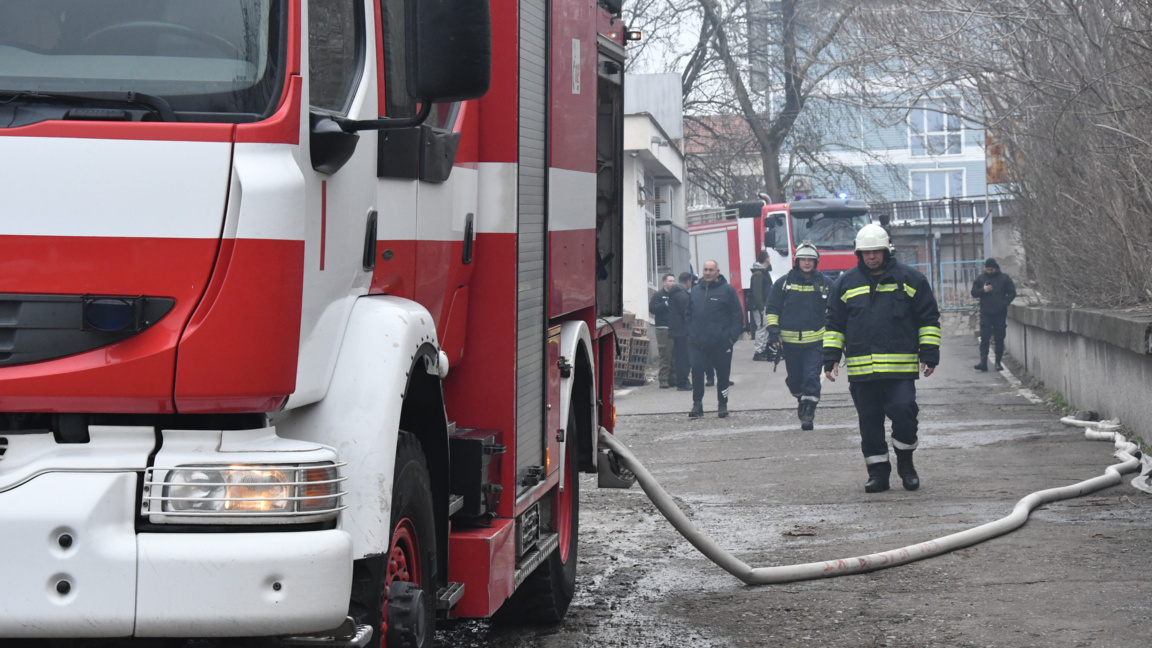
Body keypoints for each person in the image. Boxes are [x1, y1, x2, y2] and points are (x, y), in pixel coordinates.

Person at [824, 224, 941, 493]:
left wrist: (930, 353)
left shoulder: (911, 279)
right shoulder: (845, 283)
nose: (871, 256)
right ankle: (878, 473)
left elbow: (928, 319)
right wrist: (830, 357)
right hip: (862, 371)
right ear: (859, 253)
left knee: (904, 413)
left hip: (900, 371)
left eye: (876, 251)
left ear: (886, 250)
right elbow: (833, 324)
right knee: (870, 422)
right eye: (866, 252)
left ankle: (906, 463)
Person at [766, 241, 831, 430]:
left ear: (816, 262)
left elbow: (836, 311)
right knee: (795, 380)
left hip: (816, 342)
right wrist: (773, 332)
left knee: (812, 377)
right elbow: (772, 309)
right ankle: (801, 399)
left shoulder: (826, 284)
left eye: (810, 259)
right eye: (803, 259)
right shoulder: (783, 284)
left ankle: (808, 412)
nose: (807, 263)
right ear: (797, 261)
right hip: (790, 343)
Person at [685, 260, 744, 418]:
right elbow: (688, 314)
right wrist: (690, 333)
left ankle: (722, 404)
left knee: (723, 375)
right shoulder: (696, 290)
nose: (708, 273)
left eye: (711, 270)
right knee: (697, 371)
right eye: (705, 270)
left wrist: (732, 337)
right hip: (698, 343)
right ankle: (697, 405)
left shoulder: (727, 290)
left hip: (721, 343)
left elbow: (737, 315)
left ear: (718, 272)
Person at [971, 258, 1017, 372]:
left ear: (995, 268)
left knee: (999, 338)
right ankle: (983, 362)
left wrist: (1004, 303)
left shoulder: (1004, 279)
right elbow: (974, 293)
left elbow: (1012, 293)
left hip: (999, 313)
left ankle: (998, 362)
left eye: (991, 269)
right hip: (985, 313)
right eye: (987, 269)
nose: (989, 271)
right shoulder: (981, 278)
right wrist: (983, 290)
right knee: (984, 338)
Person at [649, 274, 688, 388]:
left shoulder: (676, 295)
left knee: (675, 355)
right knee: (665, 355)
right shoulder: (659, 295)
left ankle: (673, 378)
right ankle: (663, 379)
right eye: (670, 281)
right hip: (663, 328)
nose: (672, 283)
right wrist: (665, 304)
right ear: (664, 282)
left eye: (674, 281)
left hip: (674, 329)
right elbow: (652, 308)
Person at [679, 271, 713, 388]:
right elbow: (688, 313)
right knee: (705, 357)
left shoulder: (693, 293)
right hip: (698, 332)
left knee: (703, 357)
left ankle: (709, 378)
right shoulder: (694, 294)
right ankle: (709, 378)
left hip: (699, 331)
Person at [749, 250, 773, 361]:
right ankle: (758, 351)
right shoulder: (759, 274)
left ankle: (762, 350)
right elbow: (757, 292)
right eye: (768, 257)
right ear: (766, 258)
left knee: (764, 327)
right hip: (760, 306)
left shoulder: (761, 273)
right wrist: (761, 307)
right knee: (762, 327)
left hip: (763, 305)